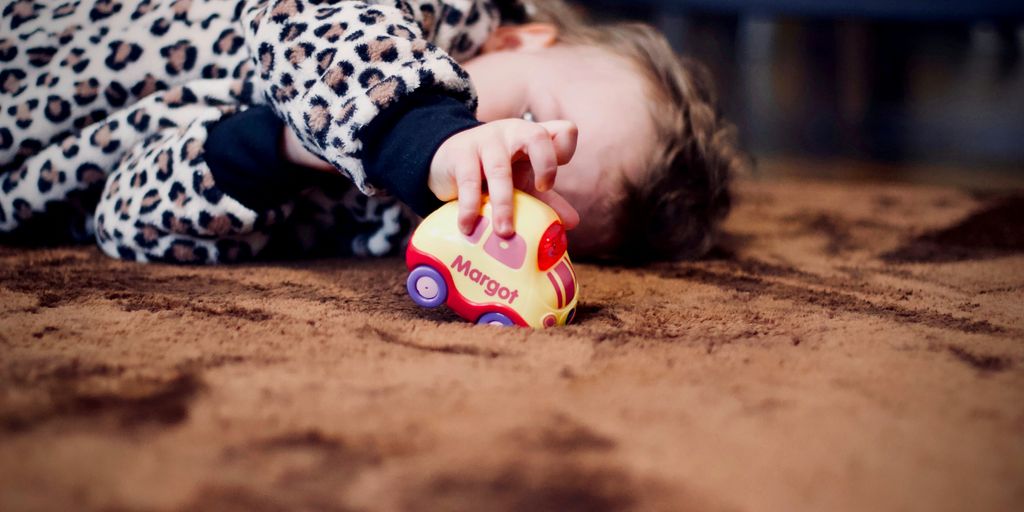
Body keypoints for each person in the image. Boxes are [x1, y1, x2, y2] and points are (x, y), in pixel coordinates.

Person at [0, 0, 745, 264]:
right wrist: (422, 131)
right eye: (525, 125)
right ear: (522, 40)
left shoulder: (391, 228)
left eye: (529, 199)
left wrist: (290, 150)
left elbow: (126, 219)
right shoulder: (435, 16)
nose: (499, 165)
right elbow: (318, 22)